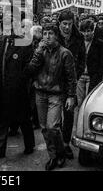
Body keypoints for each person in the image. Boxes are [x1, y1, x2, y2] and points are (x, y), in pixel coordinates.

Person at [0, 7, 35, 161]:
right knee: (0, 120)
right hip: (1, 88)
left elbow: (29, 68)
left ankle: (30, 144)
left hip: (17, 90)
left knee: (23, 119)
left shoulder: (25, 41)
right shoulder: (1, 40)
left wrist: (19, 82)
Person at [26, 23, 76, 171]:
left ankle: (61, 153)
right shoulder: (40, 50)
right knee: (44, 128)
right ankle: (53, 156)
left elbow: (71, 78)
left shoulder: (65, 53)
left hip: (56, 94)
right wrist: (38, 52)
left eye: (50, 33)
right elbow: (30, 69)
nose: (47, 37)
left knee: (53, 127)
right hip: (40, 92)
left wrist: (71, 96)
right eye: (45, 33)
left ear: (56, 35)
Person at [58, 10, 86, 160]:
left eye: (70, 24)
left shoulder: (79, 37)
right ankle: (57, 145)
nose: (67, 27)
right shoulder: (53, 35)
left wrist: (76, 75)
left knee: (68, 114)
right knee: (55, 116)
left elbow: (82, 59)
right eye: (64, 24)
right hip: (55, 82)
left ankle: (66, 143)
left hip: (71, 82)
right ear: (59, 23)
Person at [76, 20, 103, 116]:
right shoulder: (78, 42)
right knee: (79, 102)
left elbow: (102, 63)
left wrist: (98, 78)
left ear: (92, 31)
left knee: (89, 101)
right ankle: (80, 120)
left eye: (88, 31)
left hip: (92, 76)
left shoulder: (100, 44)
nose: (86, 34)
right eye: (84, 31)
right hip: (80, 76)